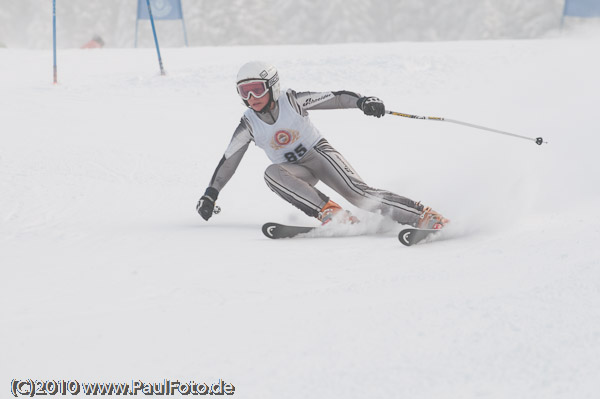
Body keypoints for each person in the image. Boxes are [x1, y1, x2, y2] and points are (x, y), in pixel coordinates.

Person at [197, 61, 448, 229]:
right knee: (271, 174)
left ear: (272, 86)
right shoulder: (249, 123)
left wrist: (362, 102)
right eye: (244, 92)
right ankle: (333, 214)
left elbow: (336, 97)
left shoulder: (292, 101)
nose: (252, 98)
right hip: (296, 172)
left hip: (319, 155)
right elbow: (229, 160)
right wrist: (211, 193)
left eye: (257, 90)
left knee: (359, 195)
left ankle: (425, 216)